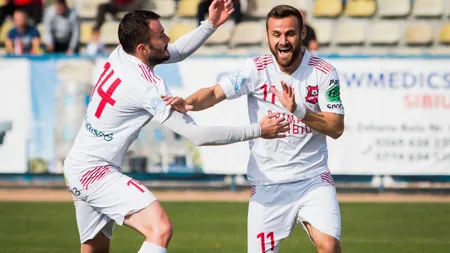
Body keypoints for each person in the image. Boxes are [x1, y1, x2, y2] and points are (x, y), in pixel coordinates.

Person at [62, 1, 289, 253]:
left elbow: (176, 51)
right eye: (160, 36)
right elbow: (198, 136)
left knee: (95, 249)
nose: (168, 38)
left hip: (77, 164)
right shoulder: (147, 87)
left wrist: (210, 24)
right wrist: (257, 129)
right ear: (142, 48)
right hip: (96, 172)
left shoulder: (121, 53)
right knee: (160, 229)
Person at [164, 4, 345, 253]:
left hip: (312, 179)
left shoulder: (323, 72)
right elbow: (217, 92)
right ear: (267, 35)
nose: (283, 41)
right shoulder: (255, 69)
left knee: (329, 247)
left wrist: (298, 111)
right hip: (267, 184)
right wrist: (188, 103)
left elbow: (336, 127)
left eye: (290, 34)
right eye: (276, 34)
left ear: (302, 34)